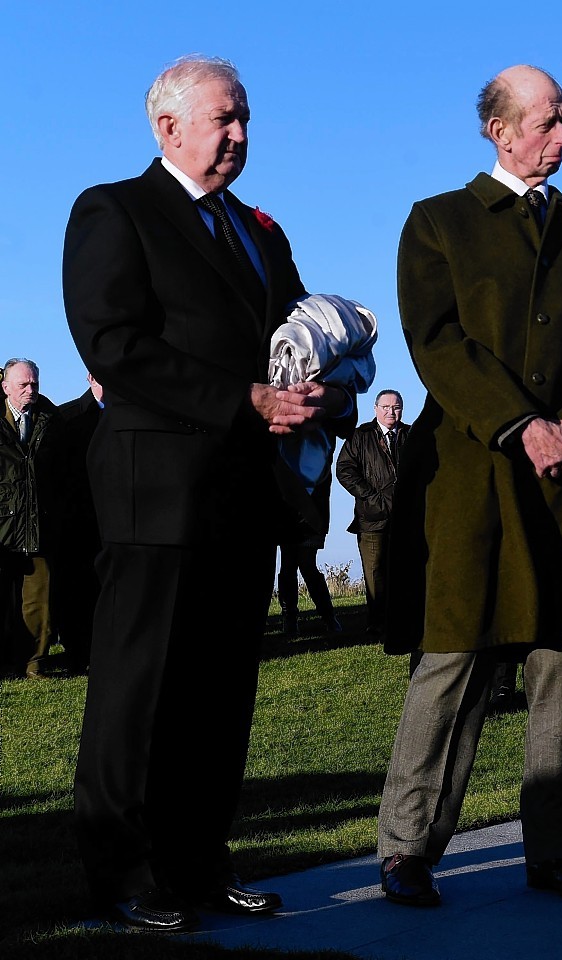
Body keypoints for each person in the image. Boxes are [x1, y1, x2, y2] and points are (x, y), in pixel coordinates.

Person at [62, 55, 354, 932]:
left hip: (242, 497)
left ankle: (198, 864)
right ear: (168, 128)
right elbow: (113, 342)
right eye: (224, 118)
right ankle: (125, 874)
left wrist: (328, 396)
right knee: (139, 690)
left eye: (246, 119)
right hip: (157, 492)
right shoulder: (115, 209)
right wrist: (246, 400)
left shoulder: (260, 231)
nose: (239, 135)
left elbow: (306, 332)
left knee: (220, 695)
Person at [375, 64, 562, 909]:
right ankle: (408, 849)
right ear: (500, 129)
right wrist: (520, 424)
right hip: (472, 479)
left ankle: (558, 851)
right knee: (454, 660)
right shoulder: (440, 223)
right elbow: (437, 341)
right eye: (550, 122)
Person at [0, 358, 59, 678]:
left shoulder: (51, 420)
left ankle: (35, 662)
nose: (30, 390)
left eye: (34, 383)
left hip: (38, 522)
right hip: (3, 525)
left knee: (39, 600)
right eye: (23, 384)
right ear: (5, 386)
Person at [335, 389, 406, 638]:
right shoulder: (360, 435)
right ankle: (377, 624)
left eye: (396, 407)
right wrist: (371, 497)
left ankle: (403, 621)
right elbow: (344, 469)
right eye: (385, 407)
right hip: (371, 518)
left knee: (404, 570)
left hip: (406, 518)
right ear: (375, 408)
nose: (391, 412)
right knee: (375, 572)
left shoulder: (411, 435)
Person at [52, 373, 105, 673]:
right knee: (78, 589)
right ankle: (78, 651)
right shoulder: (67, 418)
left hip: (115, 517)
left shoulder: (125, 414)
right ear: (89, 378)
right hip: (79, 520)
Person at [276, 464, 341, 637]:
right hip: (287, 518)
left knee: (306, 565)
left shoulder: (313, 453)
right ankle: (290, 618)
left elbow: (323, 486)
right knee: (290, 566)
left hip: (310, 517)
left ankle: (326, 616)